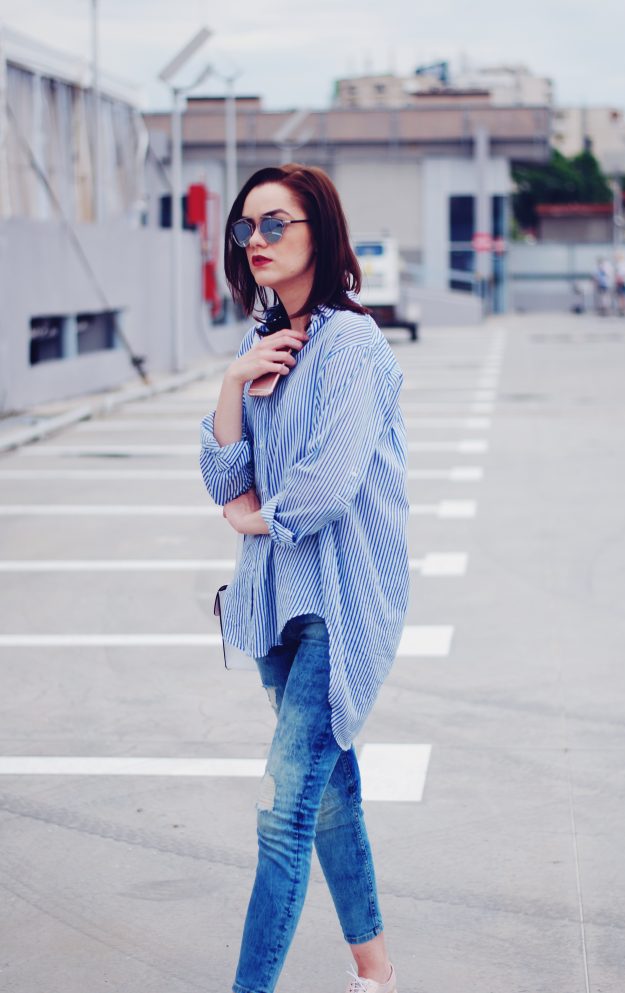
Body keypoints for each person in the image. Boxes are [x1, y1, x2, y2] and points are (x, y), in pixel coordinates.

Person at [199, 163, 409, 993]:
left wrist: (259, 517)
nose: (255, 240)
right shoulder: (264, 345)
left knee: (281, 813)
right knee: (328, 797)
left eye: (275, 223)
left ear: (319, 230)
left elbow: (324, 487)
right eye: (246, 226)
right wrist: (231, 380)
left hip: (337, 603)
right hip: (275, 605)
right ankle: (376, 970)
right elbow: (222, 476)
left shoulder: (352, 344)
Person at [613, 252, 625, 317]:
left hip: (621, 283)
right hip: (623, 283)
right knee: (623, 297)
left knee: (621, 297)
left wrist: (618, 280)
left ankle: (622, 310)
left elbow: (619, 275)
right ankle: (623, 310)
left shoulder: (620, 264)